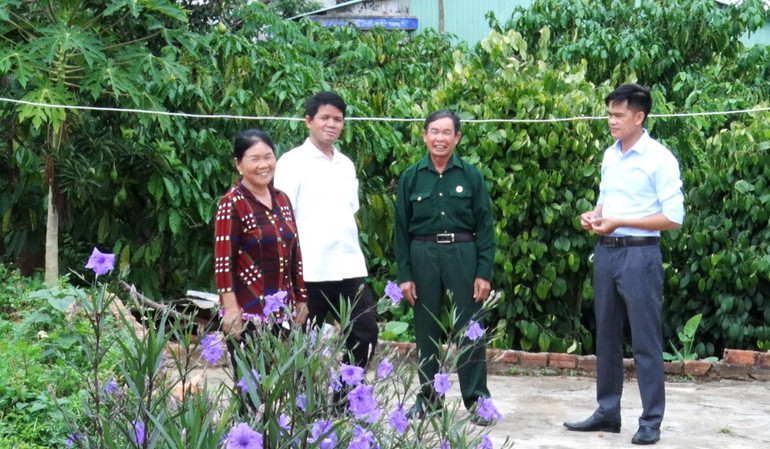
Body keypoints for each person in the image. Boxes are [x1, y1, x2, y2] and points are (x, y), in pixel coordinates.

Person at [564, 84, 684, 445]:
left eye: (618, 115)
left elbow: (673, 217)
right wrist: (596, 216)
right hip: (607, 252)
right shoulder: (610, 155)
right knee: (607, 335)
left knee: (646, 340)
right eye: (609, 114)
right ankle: (608, 411)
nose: (611, 121)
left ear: (639, 117)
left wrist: (623, 223)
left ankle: (650, 421)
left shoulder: (659, 158)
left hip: (640, 255)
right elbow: (606, 201)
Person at [273, 92, 379, 404]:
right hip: (309, 270)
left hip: (348, 267)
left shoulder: (346, 164)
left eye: (338, 119)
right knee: (302, 342)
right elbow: (282, 217)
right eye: (325, 118)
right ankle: (298, 410)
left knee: (365, 333)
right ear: (308, 121)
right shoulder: (292, 162)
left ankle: (343, 401)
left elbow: (351, 210)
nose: (331, 124)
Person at [394, 109, 496, 426]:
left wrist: (484, 272)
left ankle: (478, 400)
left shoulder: (471, 176)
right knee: (426, 331)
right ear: (424, 135)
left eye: (447, 132)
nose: (440, 138)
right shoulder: (412, 177)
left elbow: (486, 227)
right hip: (423, 253)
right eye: (434, 131)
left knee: (470, 330)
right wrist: (405, 275)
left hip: (462, 254)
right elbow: (400, 229)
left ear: (457, 138)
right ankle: (428, 400)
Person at [214, 129, 309, 354]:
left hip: (283, 313)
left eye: (268, 156)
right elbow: (223, 262)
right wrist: (230, 309)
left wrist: (301, 299)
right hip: (248, 314)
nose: (263, 165)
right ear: (238, 164)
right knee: (253, 386)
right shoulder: (232, 203)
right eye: (254, 159)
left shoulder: (282, 199)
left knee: (287, 383)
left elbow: (295, 254)